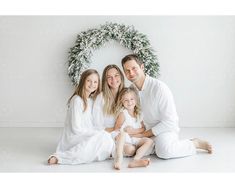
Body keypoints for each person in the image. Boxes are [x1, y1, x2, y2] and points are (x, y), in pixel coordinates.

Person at [121, 54, 212, 160]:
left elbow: (170, 121)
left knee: (164, 151)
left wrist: (142, 135)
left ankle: (194, 143)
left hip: (164, 129)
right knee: (129, 149)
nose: (131, 73)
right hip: (144, 130)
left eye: (134, 68)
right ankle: (154, 146)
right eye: (127, 70)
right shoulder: (131, 90)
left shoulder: (159, 88)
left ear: (142, 67)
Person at [48, 69, 115, 165]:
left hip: (86, 136)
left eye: (95, 82)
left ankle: (89, 154)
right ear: (83, 81)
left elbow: (92, 124)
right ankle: (61, 157)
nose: (92, 84)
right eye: (89, 80)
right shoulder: (77, 100)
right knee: (102, 137)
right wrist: (96, 133)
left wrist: (99, 132)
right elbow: (76, 129)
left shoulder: (91, 101)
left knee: (106, 138)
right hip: (74, 137)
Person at [93, 64, 136, 159]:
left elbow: (134, 115)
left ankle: (118, 151)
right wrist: (116, 129)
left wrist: (133, 131)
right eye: (109, 77)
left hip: (126, 134)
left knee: (132, 149)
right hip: (107, 135)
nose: (113, 79)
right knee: (129, 150)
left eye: (116, 75)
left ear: (121, 76)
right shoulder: (101, 98)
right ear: (105, 81)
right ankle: (113, 151)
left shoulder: (127, 94)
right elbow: (97, 126)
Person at [113, 87, 154, 170]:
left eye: (132, 99)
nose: (129, 102)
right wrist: (125, 131)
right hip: (125, 139)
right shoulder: (123, 114)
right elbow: (116, 129)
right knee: (130, 149)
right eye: (126, 100)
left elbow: (143, 128)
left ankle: (136, 160)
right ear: (122, 102)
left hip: (135, 138)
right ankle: (119, 159)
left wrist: (133, 131)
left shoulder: (139, 113)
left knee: (149, 141)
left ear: (136, 100)